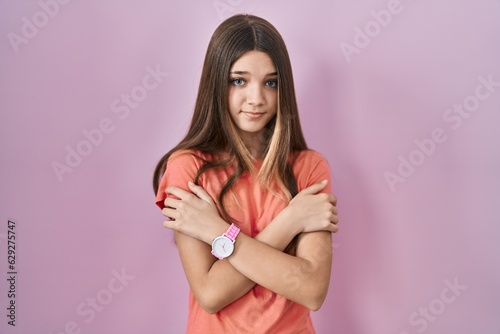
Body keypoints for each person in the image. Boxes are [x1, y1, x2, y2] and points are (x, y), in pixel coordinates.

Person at [153, 14, 339, 333]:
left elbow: (311, 290)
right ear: (217, 83)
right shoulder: (186, 168)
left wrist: (218, 232)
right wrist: (291, 221)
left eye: (271, 82)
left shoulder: (309, 167)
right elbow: (211, 294)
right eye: (239, 80)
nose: (256, 99)